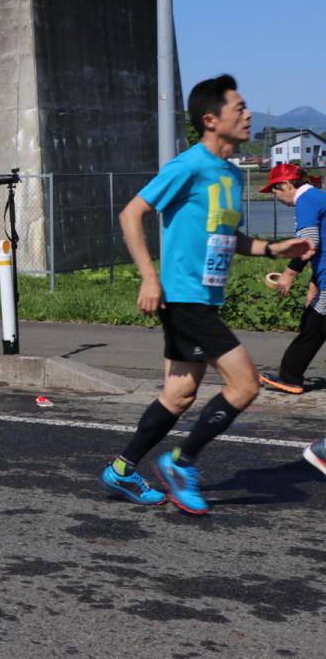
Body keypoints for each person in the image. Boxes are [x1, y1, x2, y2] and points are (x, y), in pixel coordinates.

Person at [98, 74, 311, 515]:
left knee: (178, 396)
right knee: (246, 383)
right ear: (211, 120)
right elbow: (131, 213)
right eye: (239, 108)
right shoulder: (189, 166)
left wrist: (273, 248)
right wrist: (148, 277)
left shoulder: (231, 174)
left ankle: (122, 469)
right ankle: (182, 462)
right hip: (183, 298)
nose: (248, 114)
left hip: (204, 300)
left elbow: (229, 236)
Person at [256, 163, 326, 396]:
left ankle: (290, 376)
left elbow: (308, 244)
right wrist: (314, 283)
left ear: (287, 184)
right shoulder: (317, 197)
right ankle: (290, 375)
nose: (275, 197)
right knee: (314, 325)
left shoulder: (306, 200)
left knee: (313, 327)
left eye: (275, 191)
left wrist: (289, 274)